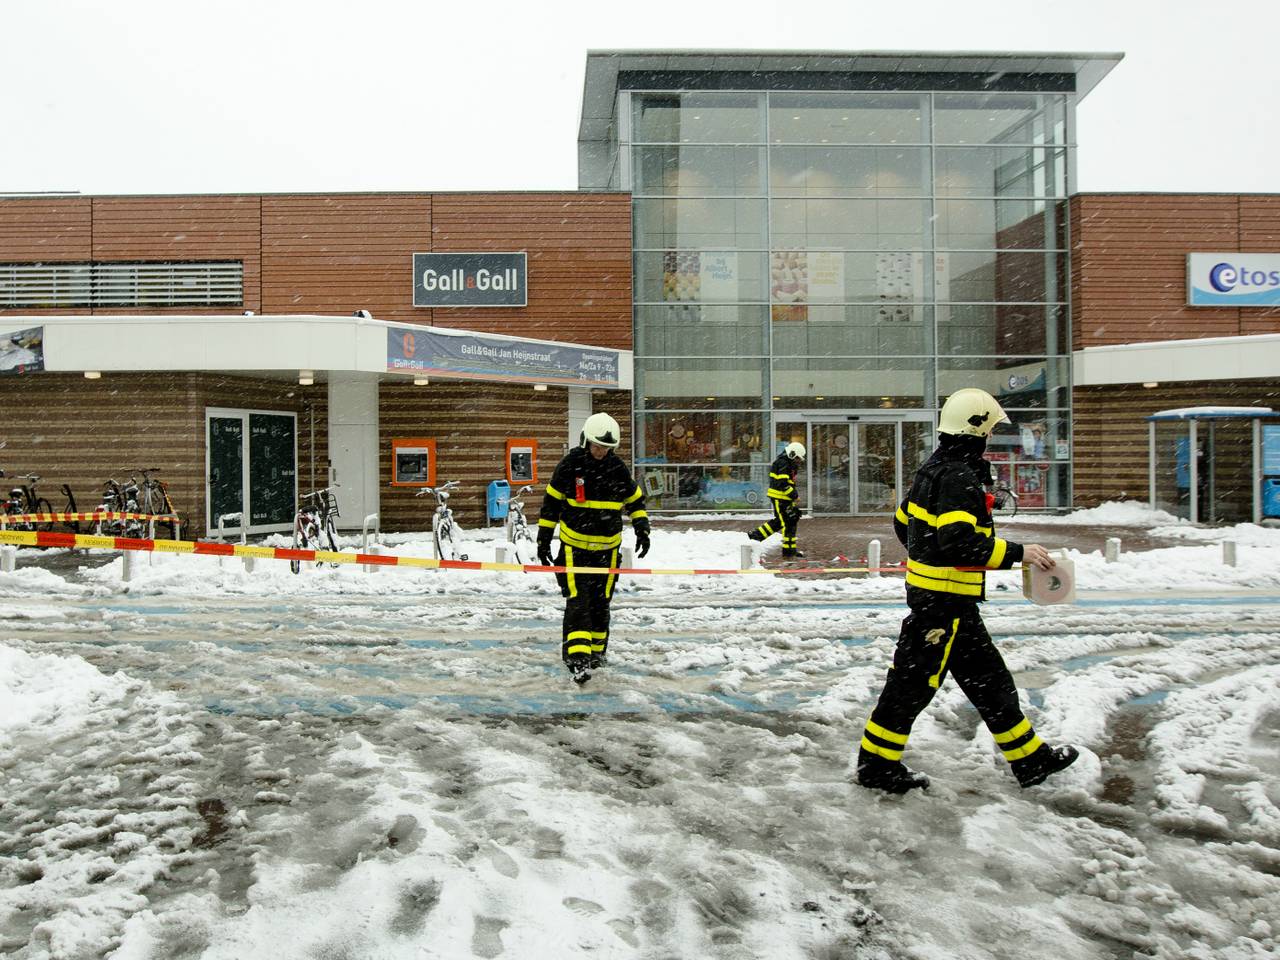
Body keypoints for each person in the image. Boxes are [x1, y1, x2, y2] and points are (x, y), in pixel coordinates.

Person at [856, 388, 1079, 793]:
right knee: (909, 689)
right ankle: (875, 768)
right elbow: (958, 543)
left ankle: (1030, 759)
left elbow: (903, 522)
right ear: (975, 429)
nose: (992, 436)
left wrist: (926, 558)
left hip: (948, 605)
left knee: (991, 684)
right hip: (942, 609)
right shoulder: (958, 477)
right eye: (990, 429)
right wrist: (1020, 553)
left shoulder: (934, 469)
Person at [537, 412, 650, 684]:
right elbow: (551, 504)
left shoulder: (617, 468)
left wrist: (642, 528)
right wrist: (543, 539)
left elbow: (635, 501)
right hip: (574, 550)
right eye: (597, 446)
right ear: (586, 441)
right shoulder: (570, 465)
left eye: (606, 448)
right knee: (579, 604)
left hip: (607, 553)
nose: (601, 452)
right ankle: (577, 661)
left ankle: (597, 655)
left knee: (601, 605)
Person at [747, 441, 805, 558]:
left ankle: (757, 536)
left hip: (784, 498)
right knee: (786, 522)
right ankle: (788, 551)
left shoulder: (787, 463)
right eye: (797, 458)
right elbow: (783, 484)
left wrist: (792, 497)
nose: (798, 461)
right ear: (792, 454)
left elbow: (788, 483)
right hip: (780, 498)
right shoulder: (783, 463)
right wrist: (794, 496)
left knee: (785, 521)